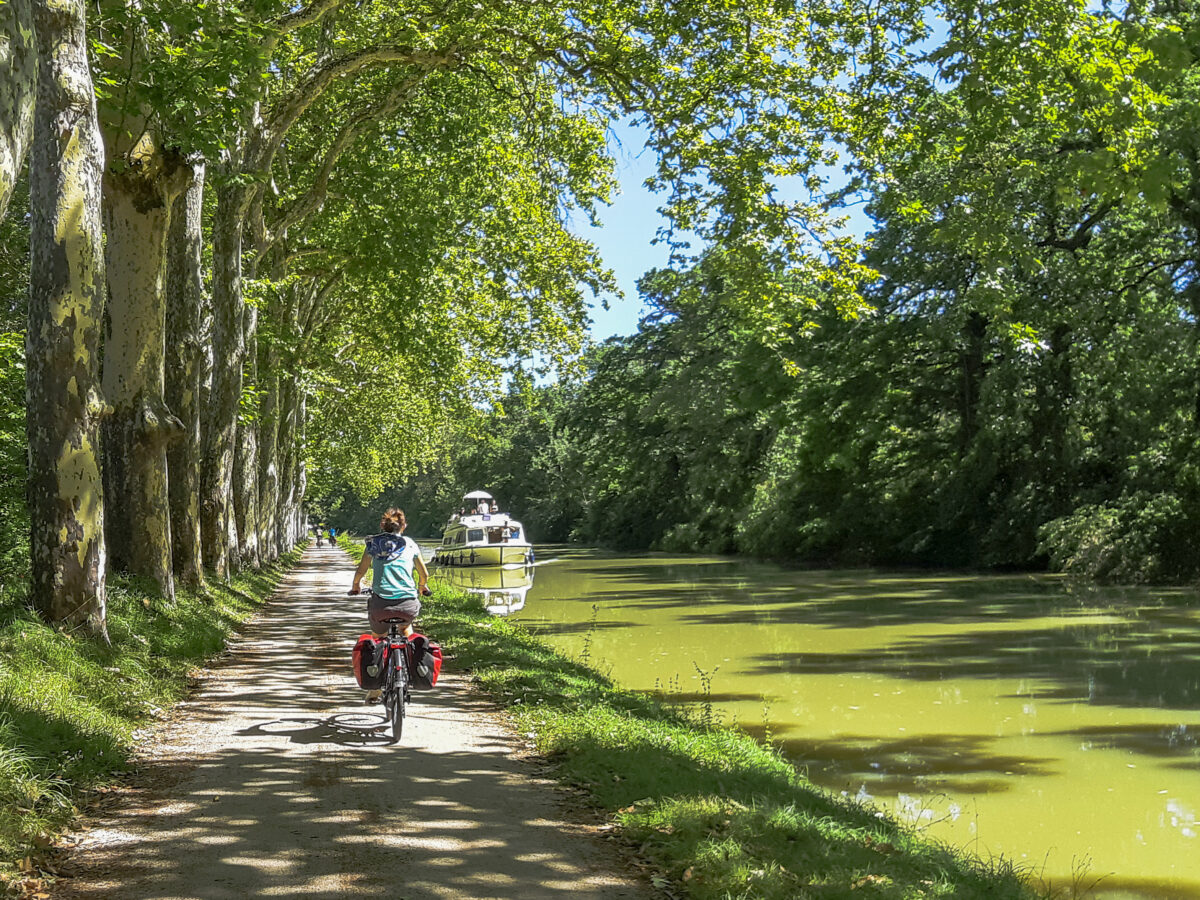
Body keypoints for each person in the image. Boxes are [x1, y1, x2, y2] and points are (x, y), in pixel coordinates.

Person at [349, 508, 430, 703]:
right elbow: (424, 574)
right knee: (406, 628)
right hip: (408, 604)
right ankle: (413, 668)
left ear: (382, 526)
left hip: (380, 606)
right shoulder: (410, 544)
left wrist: (355, 586)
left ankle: (375, 688)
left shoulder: (373, 544)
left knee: (378, 638)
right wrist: (422, 587)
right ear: (404, 526)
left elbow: (361, 570)